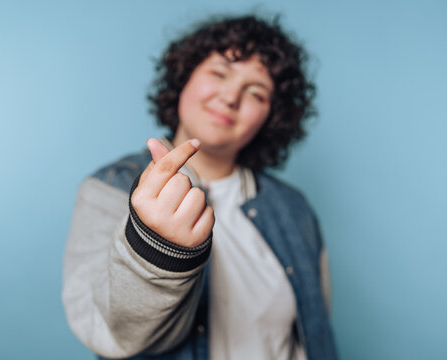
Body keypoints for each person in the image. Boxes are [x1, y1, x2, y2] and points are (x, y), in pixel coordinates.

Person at [62, 14, 338, 360]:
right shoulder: (109, 188)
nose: (230, 97)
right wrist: (158, 249)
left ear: (272, 117)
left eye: (256, 93)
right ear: (184, 79)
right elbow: (107, 333)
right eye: (219, 74)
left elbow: (313, 332)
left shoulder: (294, 209)